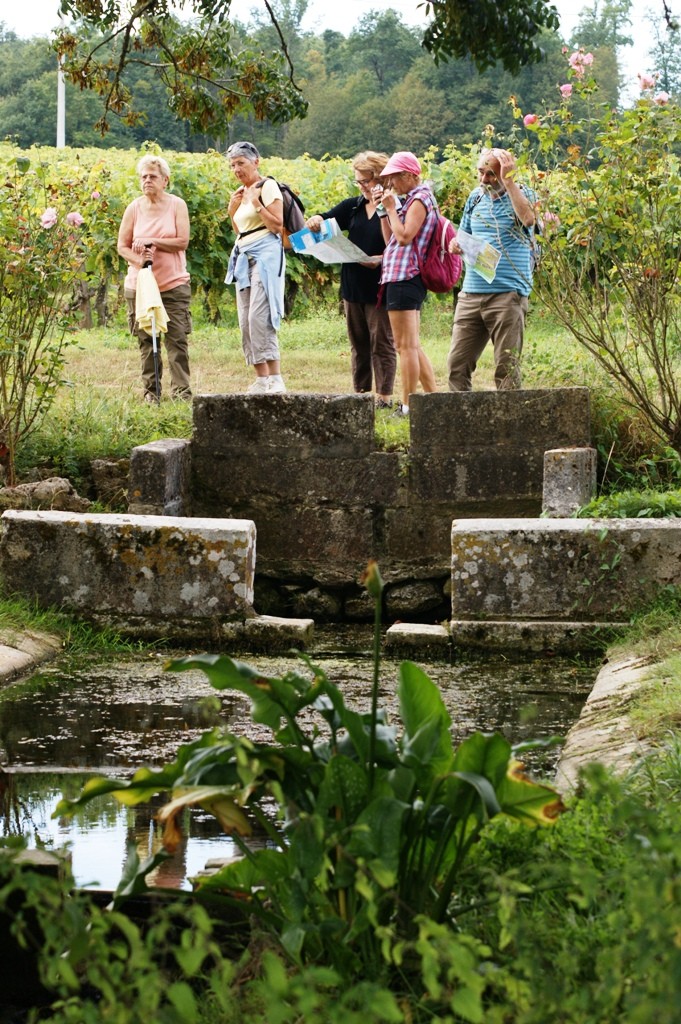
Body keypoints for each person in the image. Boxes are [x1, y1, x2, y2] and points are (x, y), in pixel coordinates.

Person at [305, 152, 396, 407]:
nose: (362, 186)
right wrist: (316, 220)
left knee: (382, 342)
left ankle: (384, 397)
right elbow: (325, 217)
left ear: (379, 179)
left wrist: (379, 259)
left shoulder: (392, 207)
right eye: (358, 182)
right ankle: (361, 395)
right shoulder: (353, 206)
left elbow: (400, 243)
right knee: (359, 344)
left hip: (380, 286)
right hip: (353, 284)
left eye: (365, 181)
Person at [447, 147, 537, 391]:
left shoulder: (522, 193)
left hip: (507, 294)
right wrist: (456, 244)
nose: (484, 180)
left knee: (506, 368)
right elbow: (463, 234)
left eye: (491, 175)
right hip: (471, 292)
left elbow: (529, 219)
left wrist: (508, 182)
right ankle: (460, 422)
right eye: (480, 173)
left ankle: (508, 425)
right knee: (457, 364)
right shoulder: (475, 198)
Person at [118, 154, 192, 402]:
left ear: (165, 180)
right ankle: (152, 393)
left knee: (176, 340)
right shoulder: (134, 208)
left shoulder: (177, 205)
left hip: (173, 284)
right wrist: (139, 260)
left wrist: (153, 243)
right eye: (144, 177)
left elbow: (182, 241)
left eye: (152, 176)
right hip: (140, 286)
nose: (147, 180)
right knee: (147, 342)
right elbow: (122, 246)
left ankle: (182, 393)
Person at [375, 151, 439, 417]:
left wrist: (391, 207)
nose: (391, 185)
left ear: (409, 175)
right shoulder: (411, 199)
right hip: (400, 276)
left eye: (394, 179)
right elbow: (390, 237)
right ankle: (434, 401)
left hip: (405, 276)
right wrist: (384, 209)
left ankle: (407, 406)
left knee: (405, 347)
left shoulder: (420, 199)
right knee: (412, 345)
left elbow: (404, 237)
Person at [224, 141, 286, 394]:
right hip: (243, 255)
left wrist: (257, 203)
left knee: (259, 317)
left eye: (241, 163)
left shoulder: (267, 186)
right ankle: (261, 379)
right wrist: (232, 211)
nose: (237, 169)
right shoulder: (241, 191)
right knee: (245, 321)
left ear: (256, 161)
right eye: (232, 165)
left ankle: (276, 378)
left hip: (266, 255)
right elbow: (241, 231)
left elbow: (277, 226)